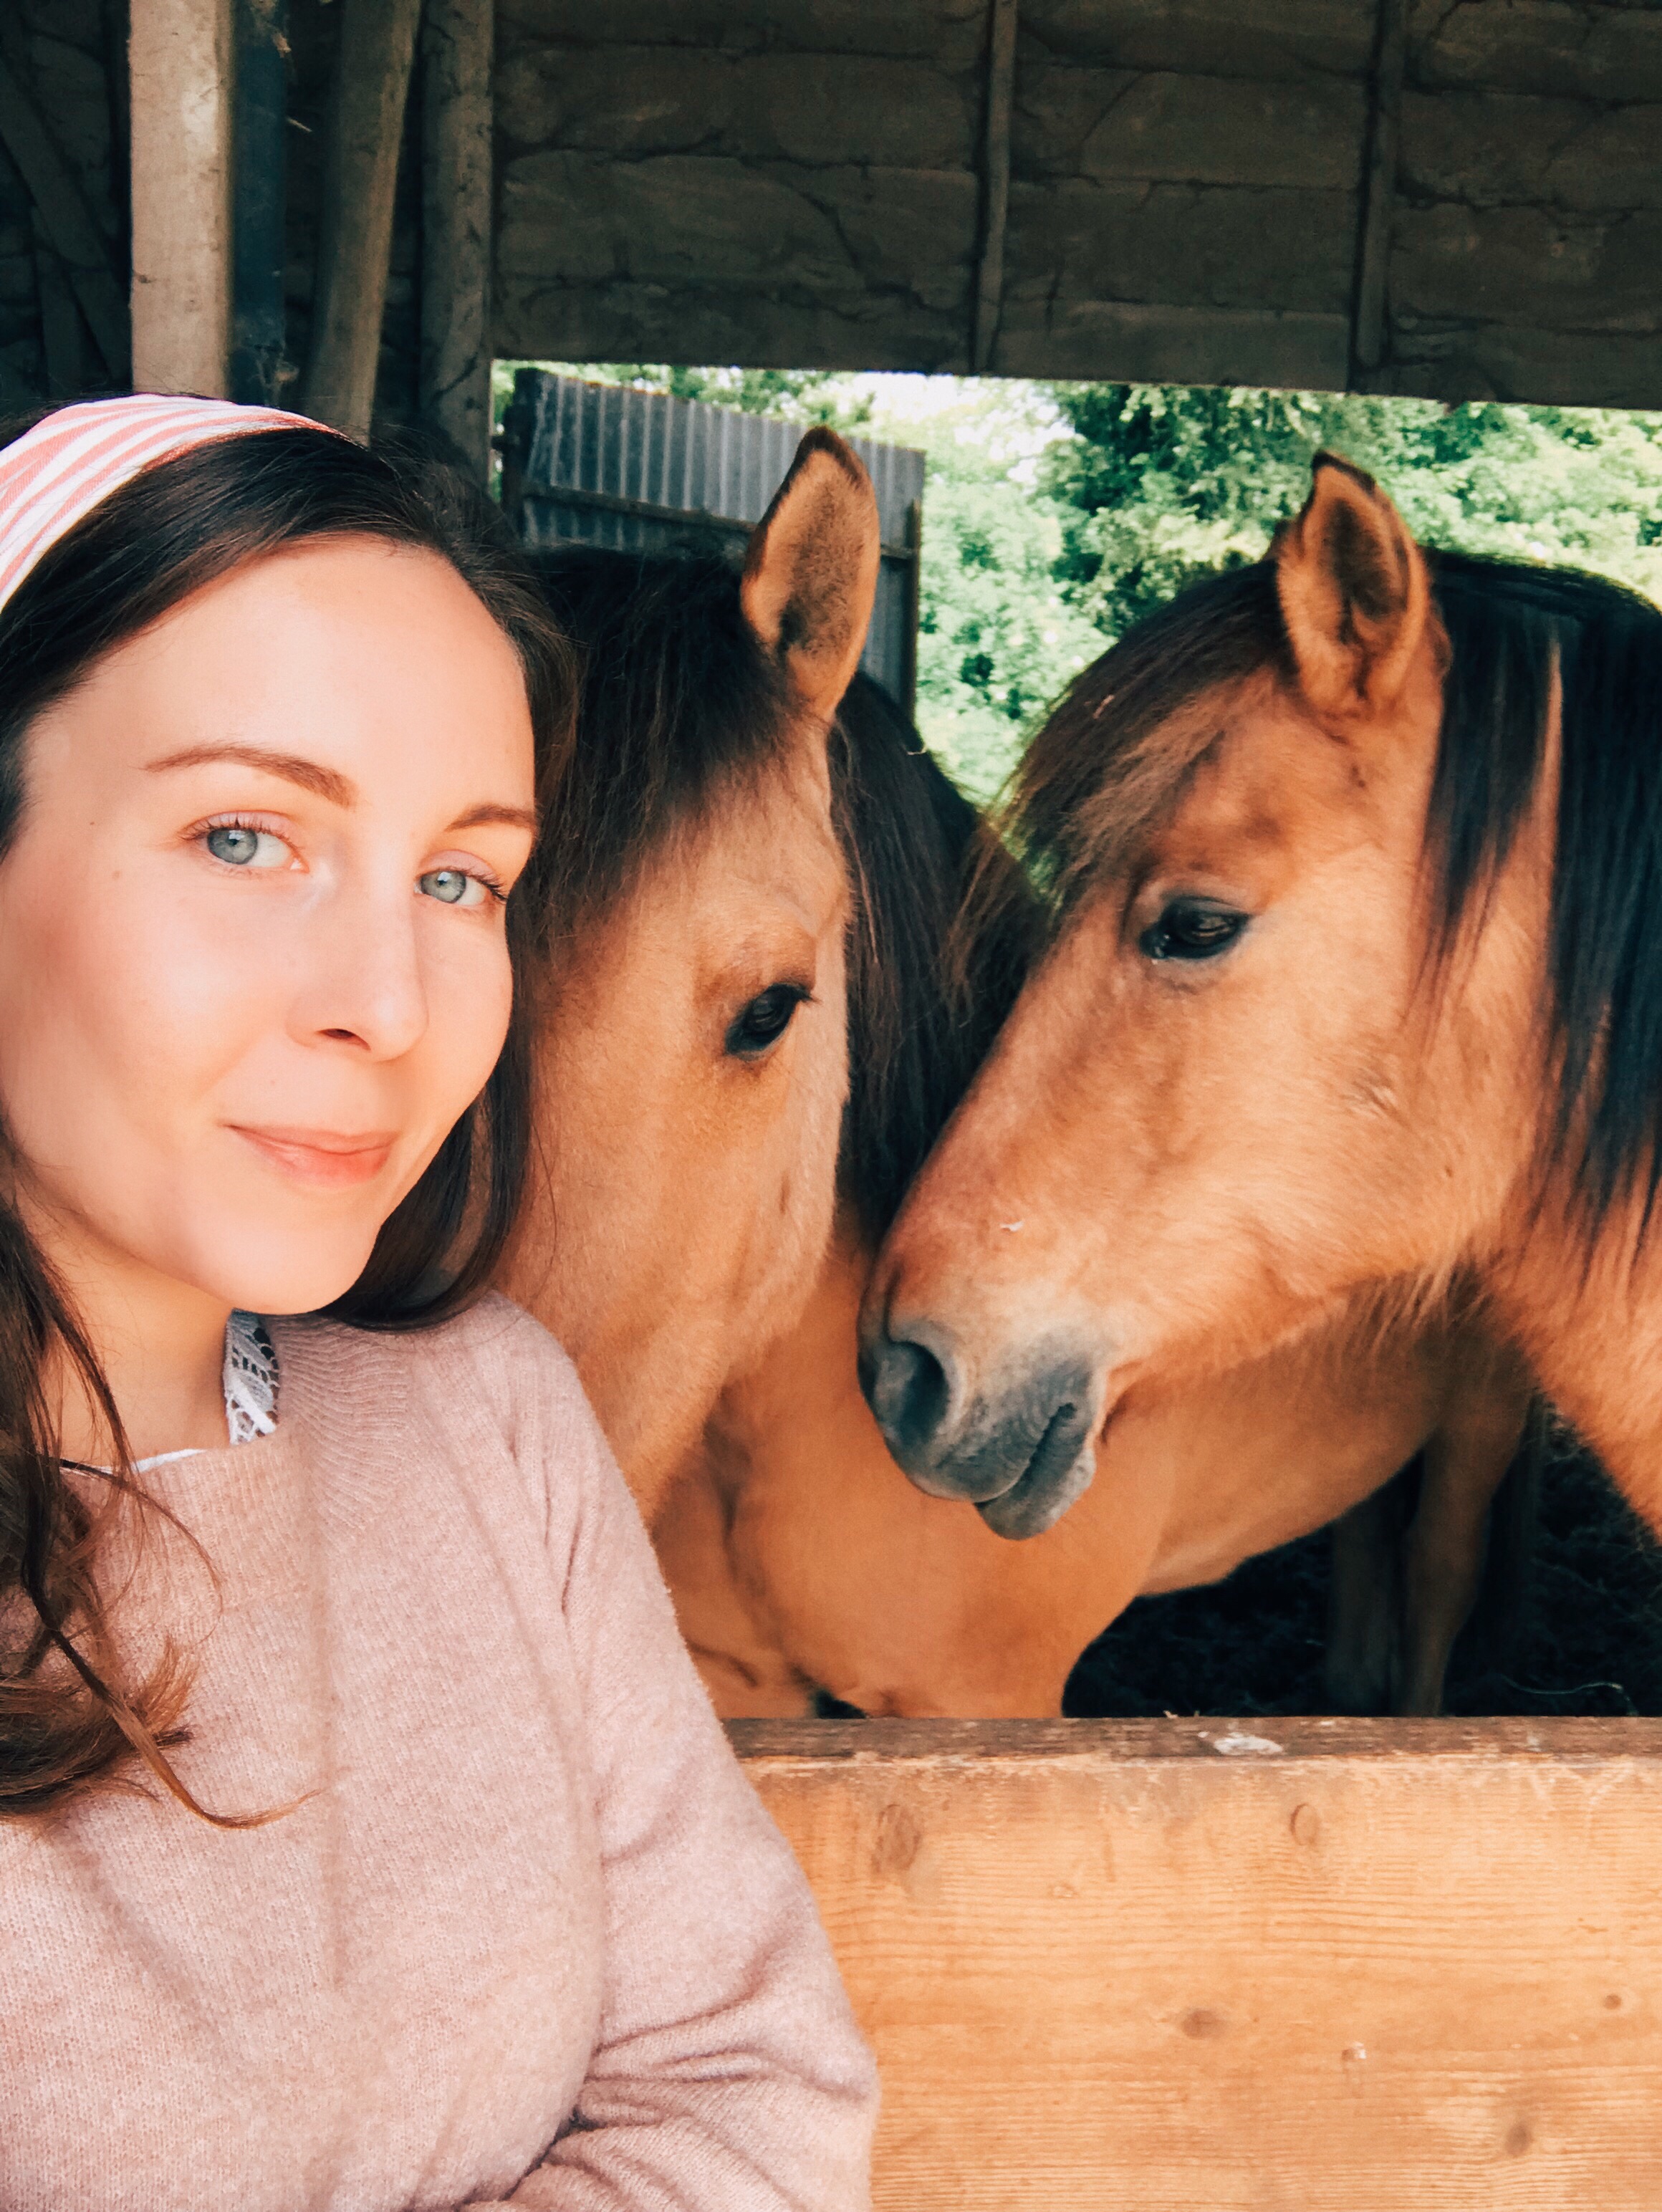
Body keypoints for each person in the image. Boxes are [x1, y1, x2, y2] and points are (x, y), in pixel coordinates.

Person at [0, 395, 876, 2211]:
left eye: (463, 876)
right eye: (245, 837)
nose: (390, 1005)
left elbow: (752, 2086)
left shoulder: (487, 1416)